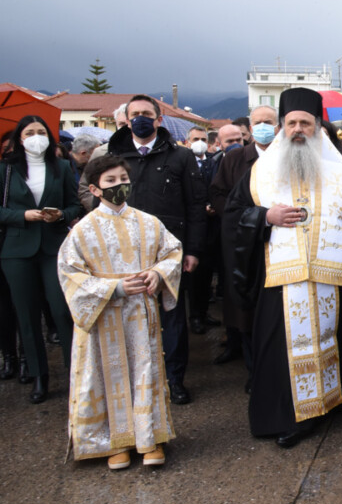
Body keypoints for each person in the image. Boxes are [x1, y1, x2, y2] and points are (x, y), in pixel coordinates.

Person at [226, 88, 342, 448]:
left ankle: (332, 401)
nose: (298, 129)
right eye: (291, 123)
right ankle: (289, 416)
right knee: (283, 347)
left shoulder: (340, 169)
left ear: (318, 126)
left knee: (331, 339)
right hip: (281, 277)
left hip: (330, 276)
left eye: (306, 122)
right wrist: (265, 216)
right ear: (282, 127)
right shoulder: (260, 172)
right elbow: (233, 215)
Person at [57, 155, 183, 470]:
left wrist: (158, 273)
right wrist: (113, 289)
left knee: (145, 369)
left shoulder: (148, 221)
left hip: (141, 313)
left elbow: (172, 252)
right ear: (95, 189)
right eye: (110, 182)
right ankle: (116, 441)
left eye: (123, 179)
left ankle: (149, 437)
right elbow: (70, 275)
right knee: (105, 375)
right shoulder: (82, 231)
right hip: (103, 316)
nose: (119, 186)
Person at [107, 94, 206, 406]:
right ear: (126, 118)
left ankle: (174, 379)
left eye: (146, 113)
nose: (140, 118)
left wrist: (193, 250)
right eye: (134, 113)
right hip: (125, 251)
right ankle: (139, 379)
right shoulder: (116, 156)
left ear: (158, 119)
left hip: (169, 251)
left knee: (173, 317)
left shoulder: (181, 157)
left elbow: (195, 207)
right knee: (131, 318)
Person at [0, 116, 83, 403]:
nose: (36, 137)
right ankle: (39, 375)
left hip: (53, 247)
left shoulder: (61, 167)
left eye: (41, 132)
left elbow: (75, 205)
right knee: (27, 313)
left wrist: (61, 214)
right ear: (19, 139)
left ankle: (76, 371)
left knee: (61, 310)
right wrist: (22, 216)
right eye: (30, 132)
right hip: (17, 250)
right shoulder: (6, 170)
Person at [210, 106, 279, 372]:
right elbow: (218, 194)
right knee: (246, 312)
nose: (263, 126)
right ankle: (254, 370)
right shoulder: (235, 159)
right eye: (258, 122)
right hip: (245, 243)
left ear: (277, 127)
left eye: (268, 122)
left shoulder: (289, 156)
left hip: (280, 243)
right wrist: (246, 217)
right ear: (249, 129)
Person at [183, 126, 221, 336]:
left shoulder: (212, 162)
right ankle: (195, 316)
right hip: (192, 229)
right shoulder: (184, 163)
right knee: (194, 278)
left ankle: (204, 312)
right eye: (195, 138)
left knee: (206, 275)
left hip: (211, 229)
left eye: (203, 139)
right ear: (187, 142)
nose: (200, 142)